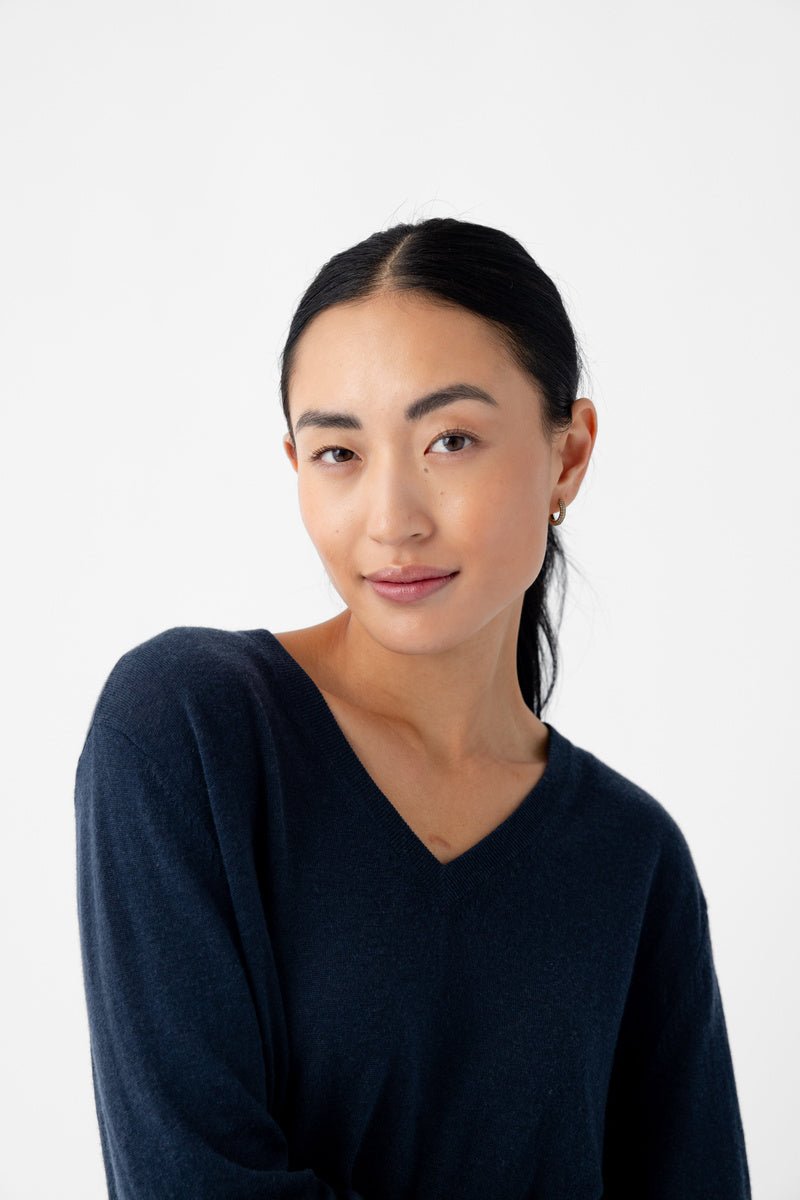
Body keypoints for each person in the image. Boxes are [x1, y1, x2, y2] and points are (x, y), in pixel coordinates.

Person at [74, 217, 752, 1198]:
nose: (392, 518)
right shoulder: (189, 732)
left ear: (567, 454)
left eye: (449, 439)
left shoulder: (630, 859)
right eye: (338, 454)